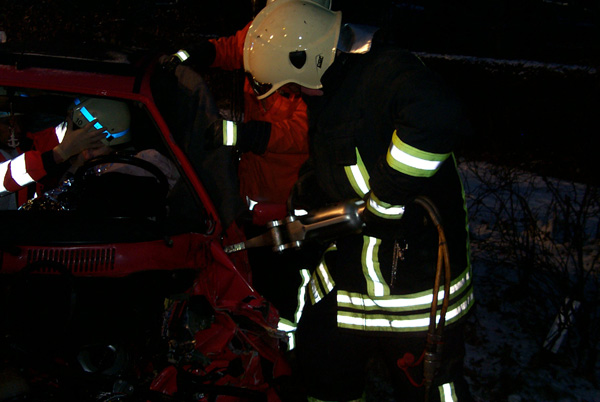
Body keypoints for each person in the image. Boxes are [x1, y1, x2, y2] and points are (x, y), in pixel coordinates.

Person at [243, 1, 476, 401]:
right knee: (319, 379)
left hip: (415, 298)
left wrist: (386, 199)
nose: (296, 95)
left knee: (430, 393)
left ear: (310, 57)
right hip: (349, 286)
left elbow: (439, 117)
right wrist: (306, 201)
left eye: (293, 84)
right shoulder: (330, 89)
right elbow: (335, 159)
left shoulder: (385, 73)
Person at [18, 96, 180, 213]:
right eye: (81, 148)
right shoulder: (152, 162)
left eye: (94, 147)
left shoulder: (138, 168)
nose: (86, 155)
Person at [0, 108, 106, 209]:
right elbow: (7, 176)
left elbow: (54, 137)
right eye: (8, 124)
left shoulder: (22, 145)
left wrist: (73, 123)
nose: (17, 130)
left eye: (20, 122)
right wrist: (60, 153)